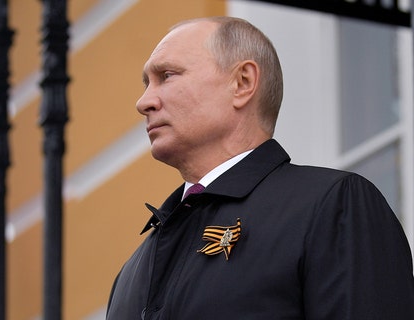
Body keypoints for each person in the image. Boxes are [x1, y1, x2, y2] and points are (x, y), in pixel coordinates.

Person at [106, 16, 414, 319]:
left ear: (242, 83)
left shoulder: (333, 206)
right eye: (148, 83)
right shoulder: (132, 272)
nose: (144, 101)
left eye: (167, 75)